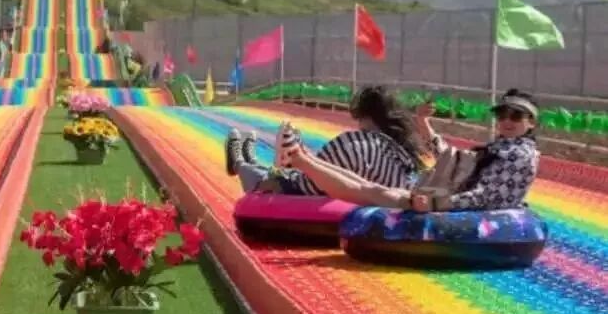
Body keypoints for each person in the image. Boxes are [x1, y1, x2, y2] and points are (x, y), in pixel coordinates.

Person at [281, 88, 540, 212]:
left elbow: (488, 197)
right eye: (502, 115)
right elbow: (454, 162)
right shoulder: (500, 147)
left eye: (516, 116)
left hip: (452, 204)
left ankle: (301, 161)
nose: (507, 121)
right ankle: (302, 158)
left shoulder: (520, 155)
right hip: (446, 194)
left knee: (369, 191)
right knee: (368, 187)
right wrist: (423, 123)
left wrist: (437, 202)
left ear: (531, 123)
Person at [226, 86, 427, 195]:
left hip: (313, 185)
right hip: (359, 185)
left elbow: (317, 183)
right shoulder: (400, 154)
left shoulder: (366, 146)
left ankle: (240, 163)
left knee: (272, 181)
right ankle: (263, 161)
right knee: (288, 174)